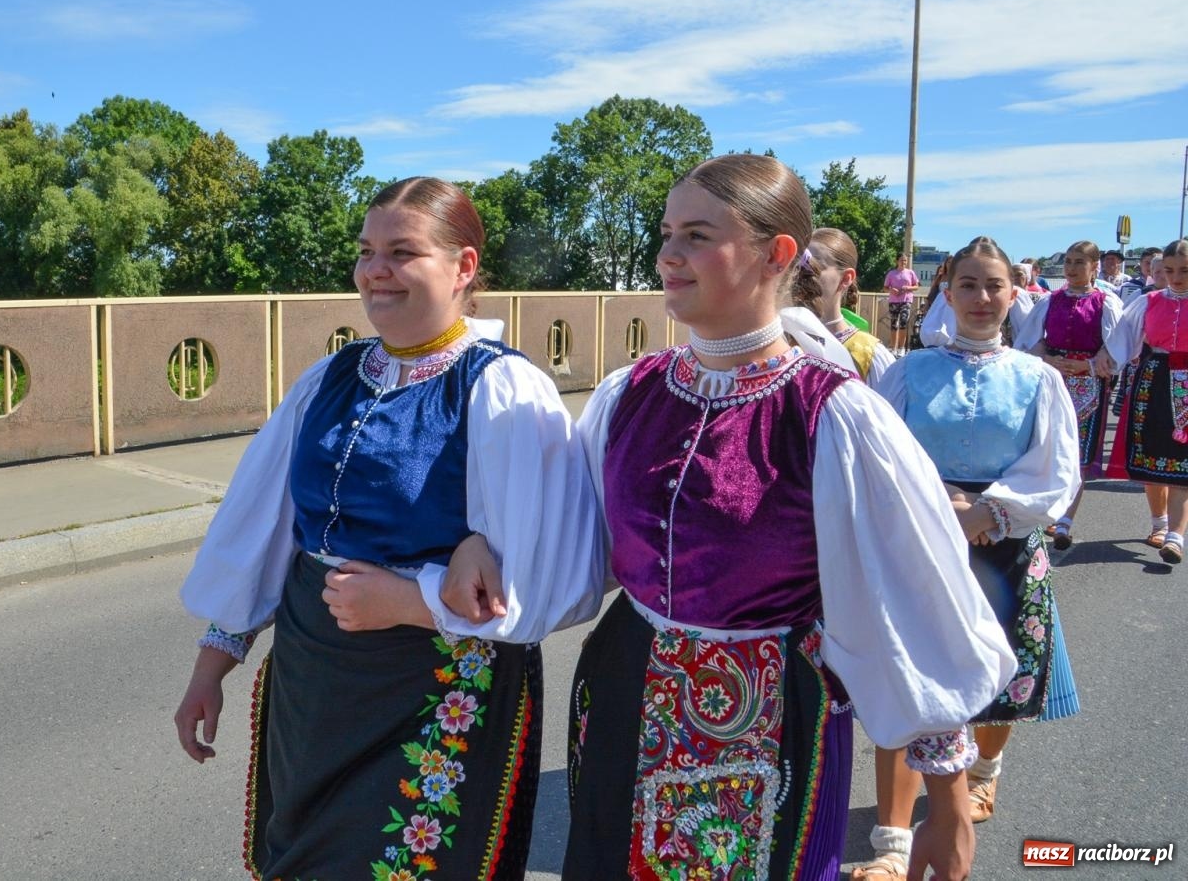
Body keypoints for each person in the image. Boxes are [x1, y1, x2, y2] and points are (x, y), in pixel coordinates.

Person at [449, 156, 1014, 881]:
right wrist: (477, 540)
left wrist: (950, 802)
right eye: (665, 234)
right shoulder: (629, 394)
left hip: (770, 717)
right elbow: (564, 535)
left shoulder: (834, 416)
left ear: (776, 253)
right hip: (622, 690)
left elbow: (916, 604)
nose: (667, 256)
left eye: (695, 235)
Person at [174, 177, 605, 879]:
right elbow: (263, 525)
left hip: (434, 688)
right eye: (367, 251)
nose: (376, 270)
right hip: (314, 684)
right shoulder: (331, 377)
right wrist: (214, 660)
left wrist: (412, 599)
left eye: (403, 252)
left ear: (463, 268)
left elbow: (554, 578)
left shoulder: (500, 387)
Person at [849, 237, 1082, 880]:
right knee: (910, 682)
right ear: (946, 293)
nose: (982, 298)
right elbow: (880, 454)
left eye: (995, 286)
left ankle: (984, 772)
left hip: (1006, 540)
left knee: (1003, 677)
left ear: (1014, 294)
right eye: (969, 286)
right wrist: (939, 501)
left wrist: (991, 512)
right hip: (922, 539)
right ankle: (892, 844)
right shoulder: (905, 371)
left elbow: (1056, 468)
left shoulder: (1039, 378)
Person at [1014, 240, 1123, 549]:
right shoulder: (1051, 300)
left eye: (1079, 262)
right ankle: (1042, 508)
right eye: (1069, 262)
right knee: (1045, 444)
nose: (1072, 268)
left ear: (1094, 267)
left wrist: (1089, 362)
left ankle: (1065, 520)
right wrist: (1046, 359)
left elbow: (1114, 350)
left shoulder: (1105, 302)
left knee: (1078, 453)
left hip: (1087, 384)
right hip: (1053, 380)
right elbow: (1032, 342)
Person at [1100, 238, 1188, 563]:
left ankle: (1176, 537)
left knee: (1184, 460)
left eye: (1184, 270)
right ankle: (1159, 523)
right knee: (1152, 455)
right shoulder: (1148, 302)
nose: (1176, 277)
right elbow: (1122, 338)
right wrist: (1106, 360)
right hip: (1153, 379)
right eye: (1170, 270)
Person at [798, 227, 895, 383]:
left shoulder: (868, 354)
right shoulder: (782, 342)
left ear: (846, 278)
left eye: (815, 267)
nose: (803, 275)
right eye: (800, 267)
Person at [884, 253, 920, 354]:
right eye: (901, 260)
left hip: (906, 300)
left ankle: (901, 348)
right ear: (897, 261)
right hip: (894, 301)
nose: (903, 262)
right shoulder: (891, 273)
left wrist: (908, 288)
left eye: (905, 260)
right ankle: (893, 348)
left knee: (903, 322)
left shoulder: (910, 273)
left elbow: (916, 286)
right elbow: (885, 287)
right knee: (894, 324)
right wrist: (892, 290)